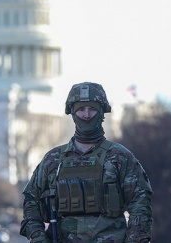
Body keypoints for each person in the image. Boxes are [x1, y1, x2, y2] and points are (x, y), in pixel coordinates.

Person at [20, 82, 153, 243]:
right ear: (72, 113)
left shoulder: (120, 157)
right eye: (81, 109)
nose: (87, 115)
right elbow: (31, 200)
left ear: (102, 112)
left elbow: (140, 203)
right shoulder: (53, 160)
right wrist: (39, 237)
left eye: (92, 109)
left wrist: (135, 239)